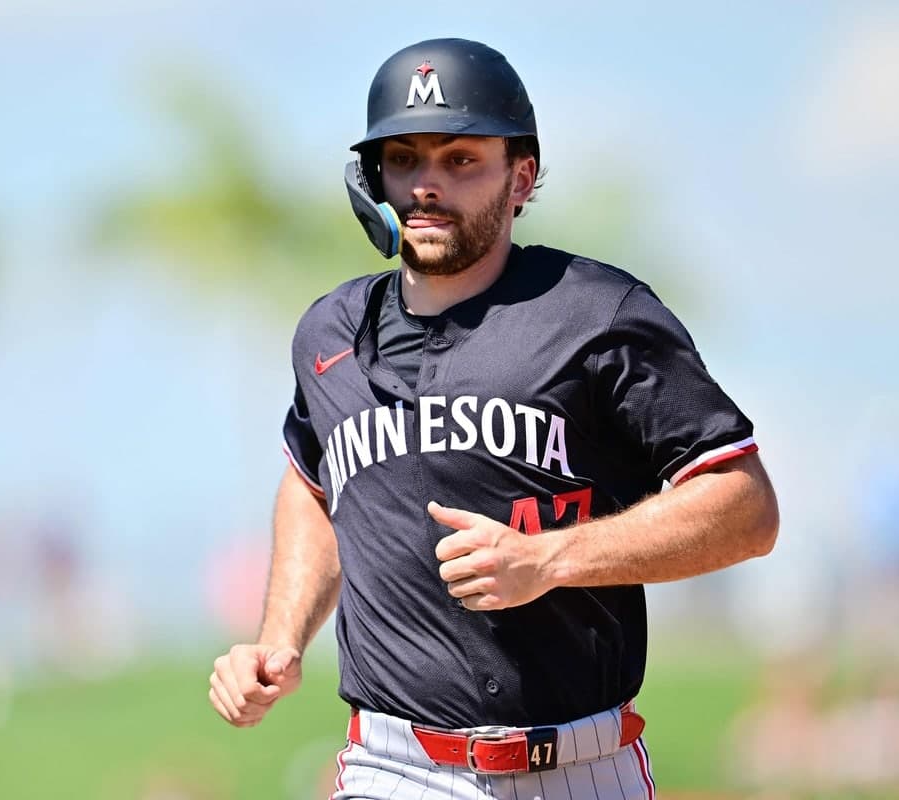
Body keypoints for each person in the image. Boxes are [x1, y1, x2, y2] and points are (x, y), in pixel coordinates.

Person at [208, 37, 780, 799]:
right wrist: (278, 639)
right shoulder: (329, 334)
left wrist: (550, 561)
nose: (426, 185)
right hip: (393, 768)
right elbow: (315, 485)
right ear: (371, 177)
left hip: (581, 767)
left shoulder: (596, 313)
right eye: (404, 159)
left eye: (460, 160)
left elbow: (746, 507)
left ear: (522, 176)